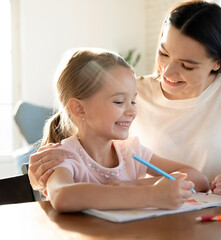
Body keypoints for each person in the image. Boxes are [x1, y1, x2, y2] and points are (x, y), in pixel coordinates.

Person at [28, 1, 221, 201]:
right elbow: (82, 141)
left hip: (219, 218)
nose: (167, 72)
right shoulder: (133, 92)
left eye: (187, 66)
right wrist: (42, 172)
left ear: (217, 64)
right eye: (163, 53)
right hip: (153, 221)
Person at [37, 49, 209, 212]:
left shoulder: (131, 151)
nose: (132, 111)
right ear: (79, 109)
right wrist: (151, 195)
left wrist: (134, 186)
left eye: (133, 101)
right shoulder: (63, 156)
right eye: (119, 102)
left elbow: (198, 179)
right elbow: (62, 196)